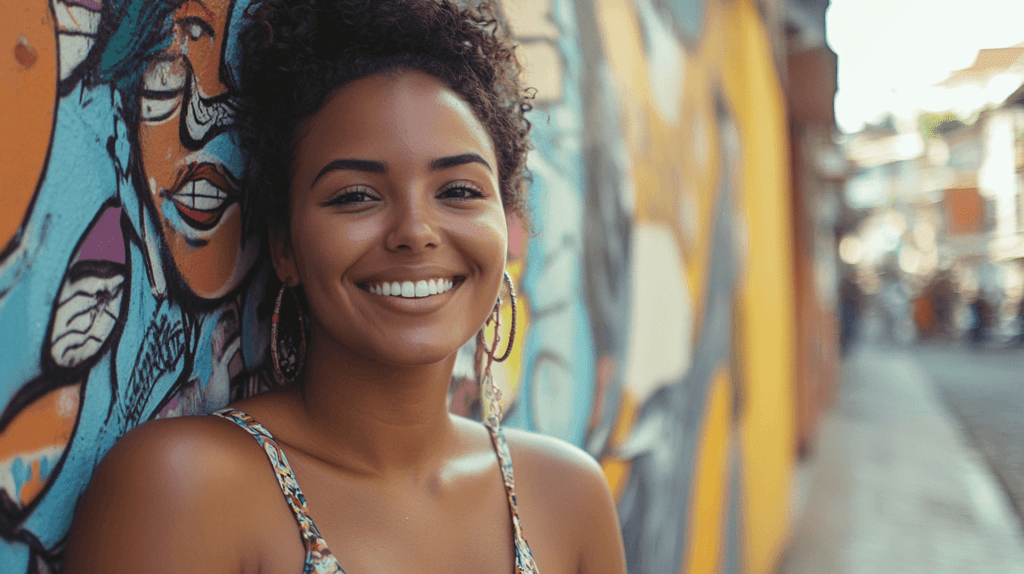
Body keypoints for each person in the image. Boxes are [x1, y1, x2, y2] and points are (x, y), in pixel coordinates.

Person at [62, 1, 628, 573]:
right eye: (355, 195)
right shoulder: (185, 485)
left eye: (458, 190)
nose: (415, 231)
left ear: (507, 226)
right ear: (285, 248)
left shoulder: (567, 496)